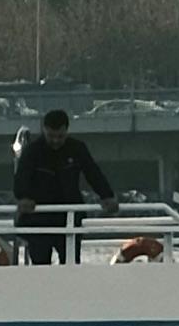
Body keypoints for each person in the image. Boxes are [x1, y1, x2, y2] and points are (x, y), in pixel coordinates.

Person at [12, 101, 116, 256]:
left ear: (67, 130)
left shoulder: (77, 148)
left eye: (60, 136)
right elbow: (21, 177)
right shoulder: (32, 151)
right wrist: (23, 197)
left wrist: (107, 195)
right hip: (39, 218)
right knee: (40, 268)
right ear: (44, 130)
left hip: (69, 217)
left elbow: (93, 173)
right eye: (51, 136)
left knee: (71, 268)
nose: (55, 140)